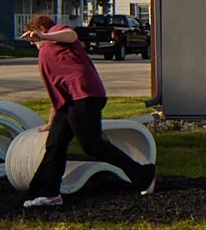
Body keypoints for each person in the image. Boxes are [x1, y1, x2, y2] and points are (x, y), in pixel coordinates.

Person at [19, 11, 156, 208]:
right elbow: (56, 93)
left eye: (33, 38)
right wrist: (51, 122)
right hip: (69, 102)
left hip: (85, 95)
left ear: (40, 29)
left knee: (92, 144)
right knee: (55, 144)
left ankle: (144, 174)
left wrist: (44, 36)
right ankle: (48, 193)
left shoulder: (56, 33)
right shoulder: (46, 53)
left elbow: (72, 35)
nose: (34, 44)